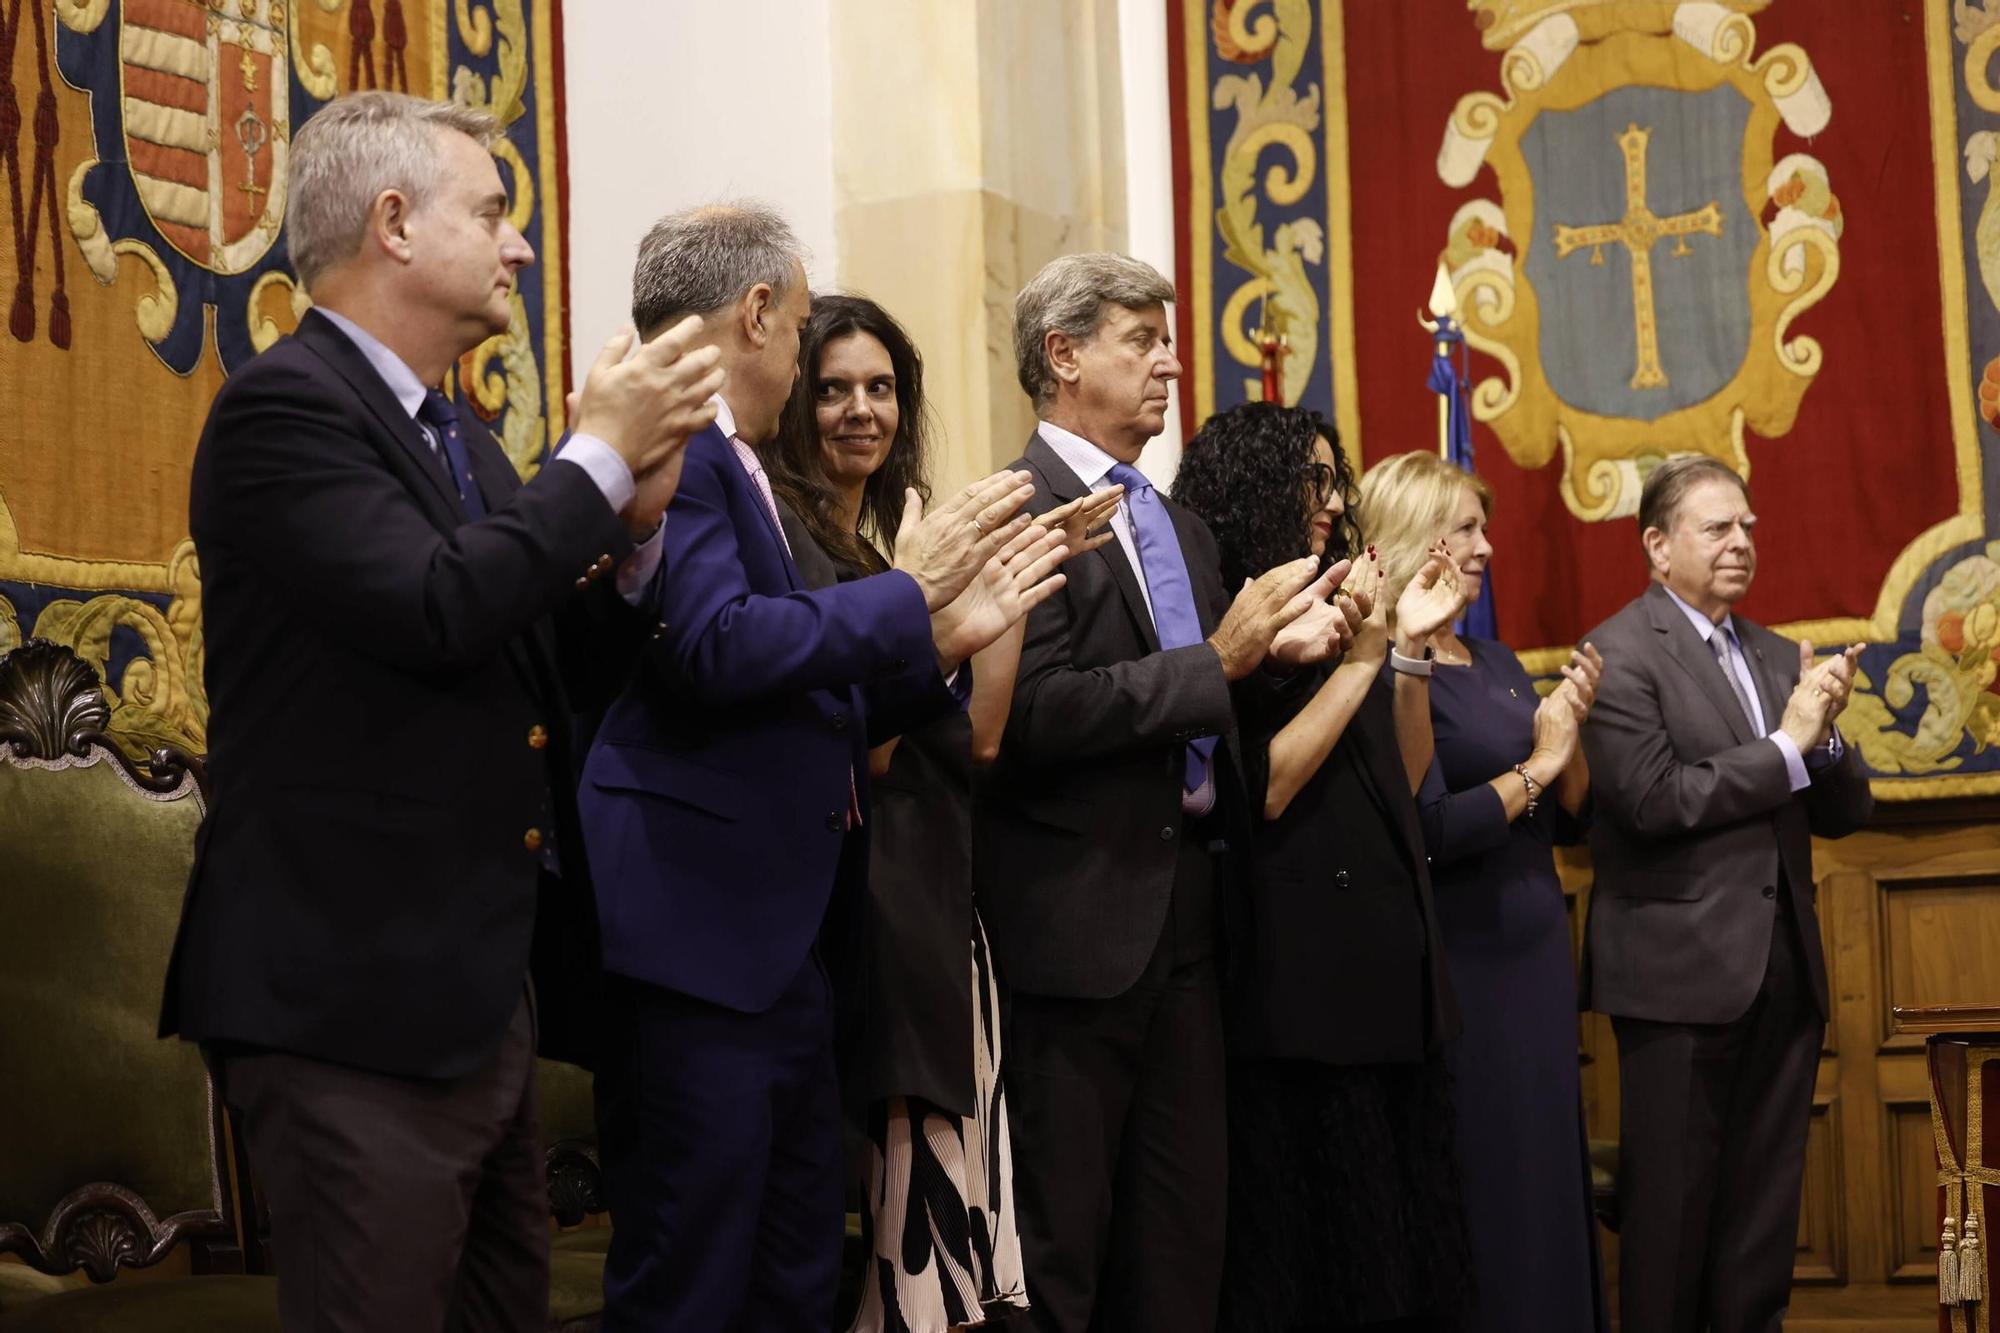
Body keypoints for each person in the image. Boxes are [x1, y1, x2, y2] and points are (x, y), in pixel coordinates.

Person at [158, 91, 721, 1331]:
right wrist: (594, 463)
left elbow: (529, 663)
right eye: (495, 212)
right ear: (395, 223)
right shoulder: (283, 410)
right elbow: (433, 607)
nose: (519, 245)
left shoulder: (459, 437)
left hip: (469, 996)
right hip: (344, 996)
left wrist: (629, 540)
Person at [577, 205, 1079, 1332]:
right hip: (702, 935)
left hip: (786, 944)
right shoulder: (690, 452)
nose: (806, 357)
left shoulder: (738, 465)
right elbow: (716, 647)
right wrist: (907, 591)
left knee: (794, 1266)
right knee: (695, 1276)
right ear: (754, 313)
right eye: (802, 329)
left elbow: (799, 701)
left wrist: (944, 634)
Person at [974, 257, 1345, 1333]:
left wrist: (1275, 658)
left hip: (1189, 915)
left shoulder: (1176, 526)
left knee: (1181, 1245)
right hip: (1072, 925)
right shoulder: (1016, 511)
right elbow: (1029, 715)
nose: (1170, 362)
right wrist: (1222, 665)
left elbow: (1200, 687)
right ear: (1062, 354)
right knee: (1061, 1251)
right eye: (1141, 337)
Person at [766, 293, 1120, 1331]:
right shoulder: (805, 561)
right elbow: (863, 753)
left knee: (956, 1257)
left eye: (879, 388)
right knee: (902, 1253)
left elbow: (982, 738)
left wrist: (1008, 590)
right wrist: (937, 616)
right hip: (868, 921)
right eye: (831, 389)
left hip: (941, 920)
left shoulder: (881, 556)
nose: (858, 411)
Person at [1173, 403, 1473, 1331]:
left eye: (1332, 476)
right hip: (1303, 987)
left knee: (1411, 1245)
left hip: (1391, 965)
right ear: (1252, 484)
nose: (1331, 498)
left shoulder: (1343, 594)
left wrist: (1408, 652)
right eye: (1310, 478)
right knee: (1325, 1261)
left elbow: (1403, 779)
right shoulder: (1237, 609)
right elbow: (1260, 788)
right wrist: (1362, 661)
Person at [1579, 454, 1873, 1333]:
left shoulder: (1780, 652)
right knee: (1669, 1227)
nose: (1742, 542)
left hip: (1783, 971)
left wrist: (1823, 740)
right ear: (1658, 546)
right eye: (1718, 527)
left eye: (1747, 525)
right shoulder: (1619, 652)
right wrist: (1787, 746)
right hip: (1677, 980)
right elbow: (1652, 798)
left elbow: (1847, 811)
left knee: (1759, 1229)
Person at [1359, 450, 1609, 1333]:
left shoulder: (1498, 657)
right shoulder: (1391, 661)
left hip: (1537, 954)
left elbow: (1571, 815)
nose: (1487, 547)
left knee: (1544, 1171)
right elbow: (1425, 830)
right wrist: (1536, 767)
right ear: (1415, 535)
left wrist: (1567, 734)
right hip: (1463, 962)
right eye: (1465, 528)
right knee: (1487, 1176)